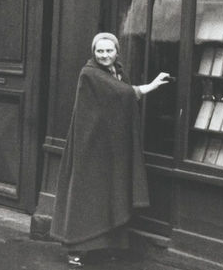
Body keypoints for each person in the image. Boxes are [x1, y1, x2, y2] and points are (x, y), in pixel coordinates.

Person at [50, 32, 172, 267]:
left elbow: (119, 103)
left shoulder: (119, 72)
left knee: (110, 194)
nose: (104, 55)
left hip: (111, 147)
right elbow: (122, 94)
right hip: (90, 147)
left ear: (117, 52)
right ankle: (76, 248)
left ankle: (107, 246)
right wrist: (150, 86)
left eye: (109, 50)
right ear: (93, 52)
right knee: (87, 196)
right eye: (100, 51)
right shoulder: (89, 73)